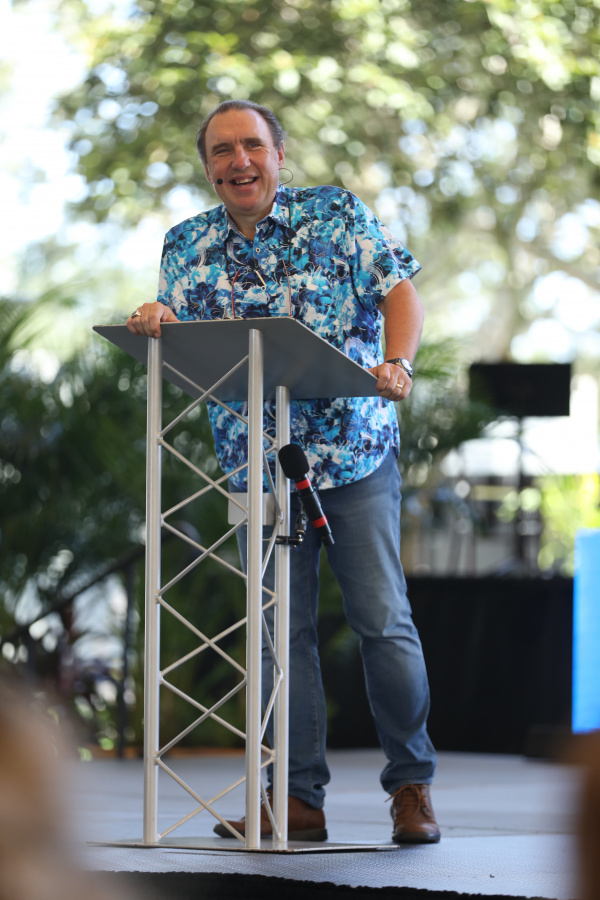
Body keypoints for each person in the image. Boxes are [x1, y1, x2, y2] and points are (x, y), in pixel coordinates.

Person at [126, 99, 440, 844]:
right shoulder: (186, 243)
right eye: (222, 151)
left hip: (354, 454)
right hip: (255, 467)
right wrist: (154, 318)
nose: (239, 161)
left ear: (278, 155)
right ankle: (296, 800)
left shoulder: (335, 214)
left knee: (382, 621)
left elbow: (399, 291)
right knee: (279, 634)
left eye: (252, 146)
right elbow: (181, 329)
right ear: (208, 168)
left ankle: (412, 786)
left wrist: (397, 362)